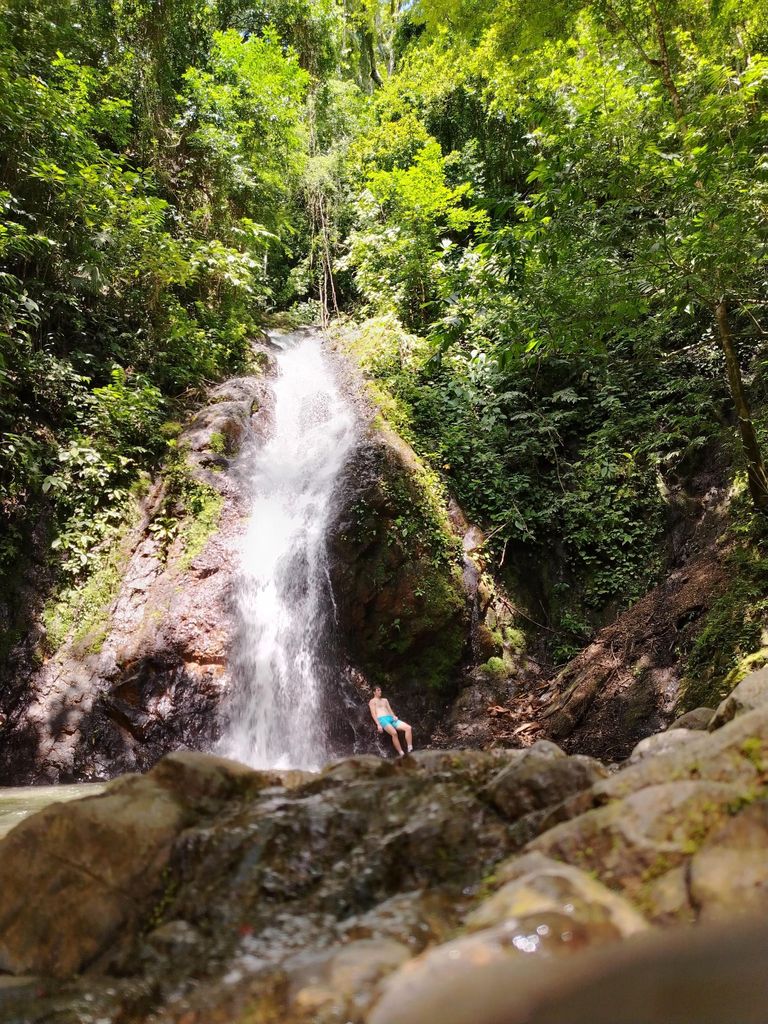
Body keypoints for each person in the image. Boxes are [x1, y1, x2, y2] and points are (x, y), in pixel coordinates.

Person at [368, 685, 413, 756]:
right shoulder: (372, 701)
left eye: (380, 690)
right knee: (394, 733)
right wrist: (378, 724)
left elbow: (390, 710)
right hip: (382, 719)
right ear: (374, 692)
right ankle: (401, 753)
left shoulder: (385, 700)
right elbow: (373, 714)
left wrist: (394, 716)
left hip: (390, 718)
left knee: (408, 728)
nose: (380, 691)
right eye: (378, 690)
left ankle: (410, 748)